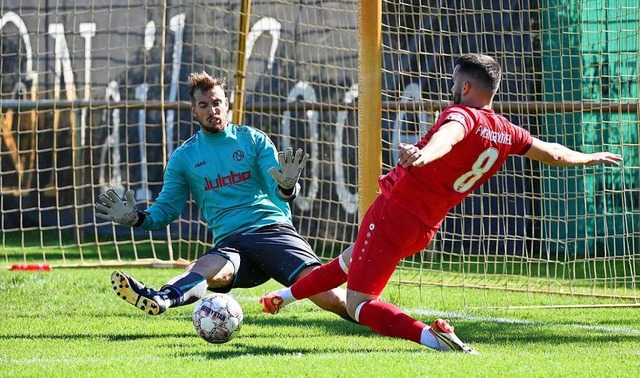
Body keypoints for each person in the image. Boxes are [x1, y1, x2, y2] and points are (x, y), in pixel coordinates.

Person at [259, 53, 623, 354]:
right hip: (424, 227)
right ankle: (281, 298)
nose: (451, 88)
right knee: (349, 261)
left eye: (454, 82)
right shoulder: (508, 131)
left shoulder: (461, 115)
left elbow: (449, 138)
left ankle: (433, 338)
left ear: (466, 86)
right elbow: (554, 154)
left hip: (394, 213)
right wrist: (587, 157)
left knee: (359, 305)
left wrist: (422, 153)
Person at [95, 71, 348, 319]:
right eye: (204, 105)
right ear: (194, 110)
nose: (212, 110)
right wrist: (137, 218)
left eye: (216, 103)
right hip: (231, 243)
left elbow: (280, 191)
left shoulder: (252, 139)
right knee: (203, 270)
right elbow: (165, 210)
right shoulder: (184, 157)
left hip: (272, 231)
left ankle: (369, 313)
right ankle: (161, 298)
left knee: (330, 298)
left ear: (226, 103)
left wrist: (288, 187)